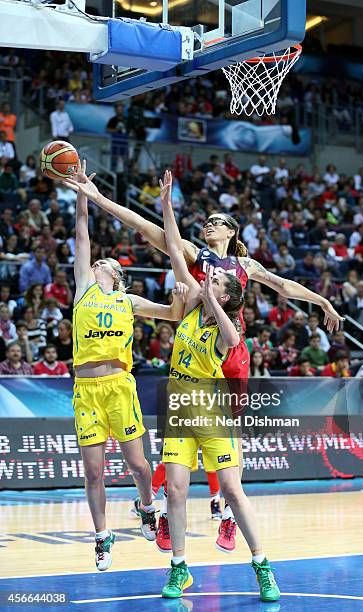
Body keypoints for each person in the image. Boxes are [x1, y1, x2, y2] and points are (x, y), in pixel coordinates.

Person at [68, 169, 343, 553]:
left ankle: (228, 517)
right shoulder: (195, 255)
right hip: (195, 346)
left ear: (232, 231)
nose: (208, 223)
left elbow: (284, 285)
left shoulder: (246, 267)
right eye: (207, 220)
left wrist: (322, 301)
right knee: (180, 438)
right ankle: (164, 510)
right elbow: (147, 227)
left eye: (217, 221)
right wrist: (96, 198)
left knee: (231, 439)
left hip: (232, 352)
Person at [159, 169, 280, 602]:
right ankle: (179, 569)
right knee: (175, 488)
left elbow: (232, 339)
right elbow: (174, 248)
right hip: (179, 400)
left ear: (226, 294)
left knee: (231, 487)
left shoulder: (227, 325)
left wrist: (210, 297)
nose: (207, 278)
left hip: (210, 403)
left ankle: (261, 565)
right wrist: (167, 205)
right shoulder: (192, 301)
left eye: (216, 282)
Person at [63, 161, 187, 571]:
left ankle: (147, 506)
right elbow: (82, 233)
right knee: (94, 472)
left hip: (119, 385)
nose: (98, 262)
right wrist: (83, 191)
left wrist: (182, 291)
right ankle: (102, 537)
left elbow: (172, 313)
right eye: (97, 261)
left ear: (118, 276)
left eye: (107, 263)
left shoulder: (127, 302)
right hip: (86, 389)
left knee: (137, 464)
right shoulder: (82, 289)